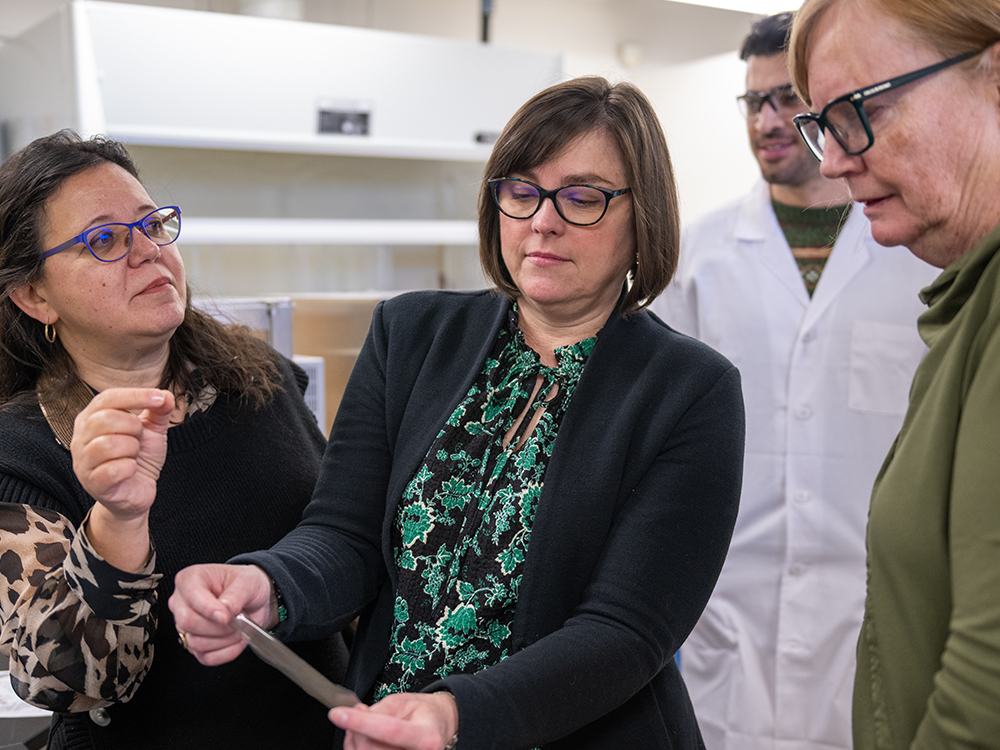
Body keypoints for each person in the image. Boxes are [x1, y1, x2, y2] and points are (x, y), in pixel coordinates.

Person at [169, 76, 745, 750]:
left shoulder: (690, 390)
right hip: (386, 730)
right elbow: (345, 534)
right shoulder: (411, 334)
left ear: (642, 216)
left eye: (583, 197)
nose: (543, 220)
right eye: (522, 191)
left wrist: (454, 715)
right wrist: (265, 584)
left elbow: (624, 631)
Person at [0, 130, 347, 750]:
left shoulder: (261, 379)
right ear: (35, 296)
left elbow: (346, 544)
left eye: (152, 224)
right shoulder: (19, 451)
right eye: (104, 239)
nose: (147, 252)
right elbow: (68, 681)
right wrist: (120, 514)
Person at [649, 11, 937, 750]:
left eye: (787, 100)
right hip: (727, 622)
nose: (769, 121)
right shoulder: (696, 258)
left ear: (832, 108)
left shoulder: (919, 250)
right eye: (754, 102)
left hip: (874, 612)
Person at [786, 0, 1000, 747]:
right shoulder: (966, 301)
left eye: (861, 110)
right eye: (824, 127)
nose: (836, 160)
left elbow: (989, 687)